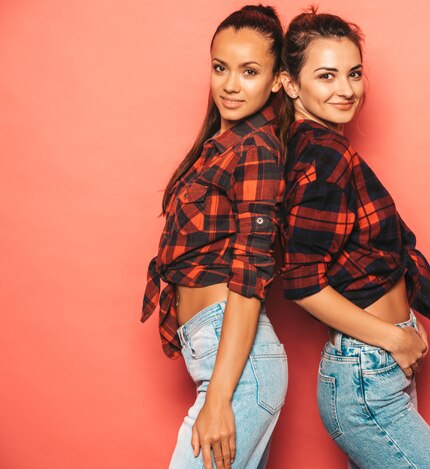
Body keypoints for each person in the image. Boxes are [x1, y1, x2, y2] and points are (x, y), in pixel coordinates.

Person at [279, 8, 430, 468]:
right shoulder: (322, 156)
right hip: (367, 373)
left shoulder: (325, 148)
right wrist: (393, 339)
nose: (346, 89)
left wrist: (400, 336)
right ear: (290, 83)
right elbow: (302, 282)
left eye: (354, 73)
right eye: (326, 76)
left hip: (376, 366)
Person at [141, 6, 288, 468]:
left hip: (239, 372)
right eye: (221, 67)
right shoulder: (219, 148)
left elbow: (249, 279)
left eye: (249, 71)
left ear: (278, 79)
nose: (230, 84)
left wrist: (219, 399)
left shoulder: (258, 150)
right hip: (222, 359)